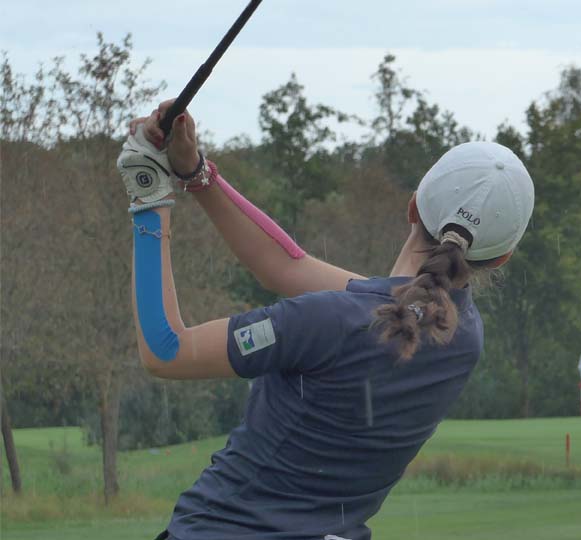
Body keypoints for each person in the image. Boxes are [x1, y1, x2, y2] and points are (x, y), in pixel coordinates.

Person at [117, 100, 534, 540]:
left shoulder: (331, 321)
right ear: (502, 256)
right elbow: (285, 268)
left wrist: (148, 195)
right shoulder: (462, 336)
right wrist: (196, 172)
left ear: (412, 206)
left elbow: (166, 350)